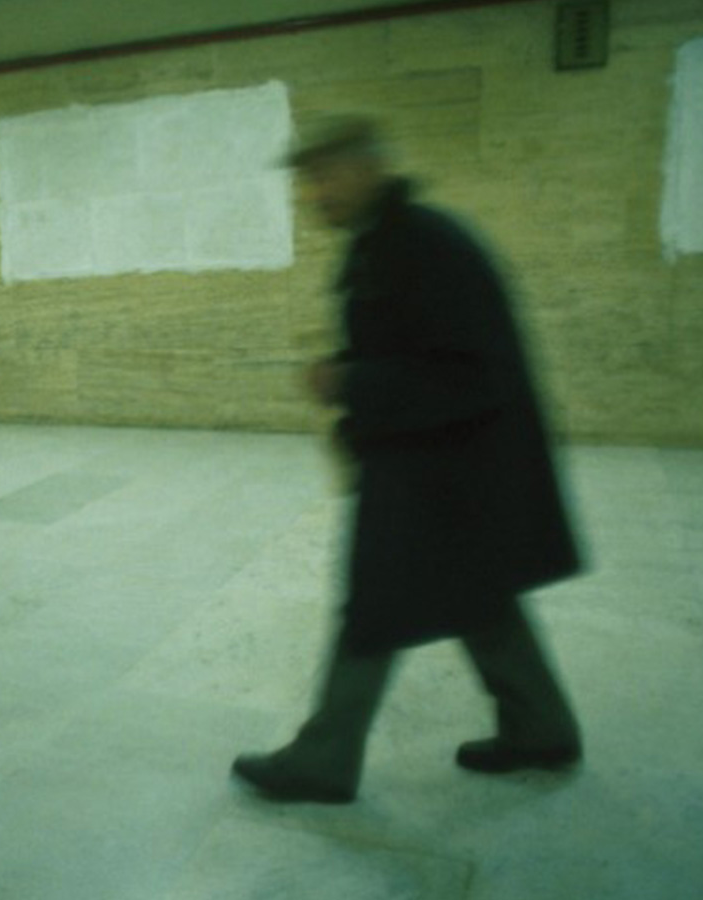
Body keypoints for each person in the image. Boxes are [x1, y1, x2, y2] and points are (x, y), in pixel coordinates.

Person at [231, 117, 584, 804]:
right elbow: (407, 351)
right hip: (441, 465)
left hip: (445, 471)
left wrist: (351, 383)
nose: (312, 194)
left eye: (324, 175)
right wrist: (357, 392)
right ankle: (541, 728)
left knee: (376, 605)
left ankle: (323, 762)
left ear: (370, 167)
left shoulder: (422, 244)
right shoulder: (386, 242)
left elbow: (467, 374)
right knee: (477, 597)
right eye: (307, 180)